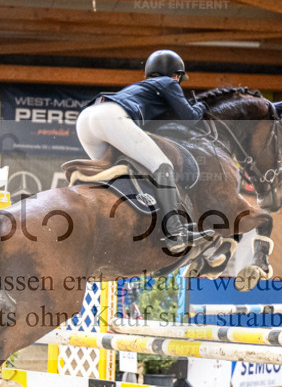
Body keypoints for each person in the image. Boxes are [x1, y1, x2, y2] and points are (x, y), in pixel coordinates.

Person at [76, 50, 214, 251]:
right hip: (110, 117)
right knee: (163, 166)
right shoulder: (169, 83)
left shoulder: (141, 88)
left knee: (115, 175)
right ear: (176, 75)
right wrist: (203, 105)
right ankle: (175, 233)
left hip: (86, 119)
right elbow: (191, 117)